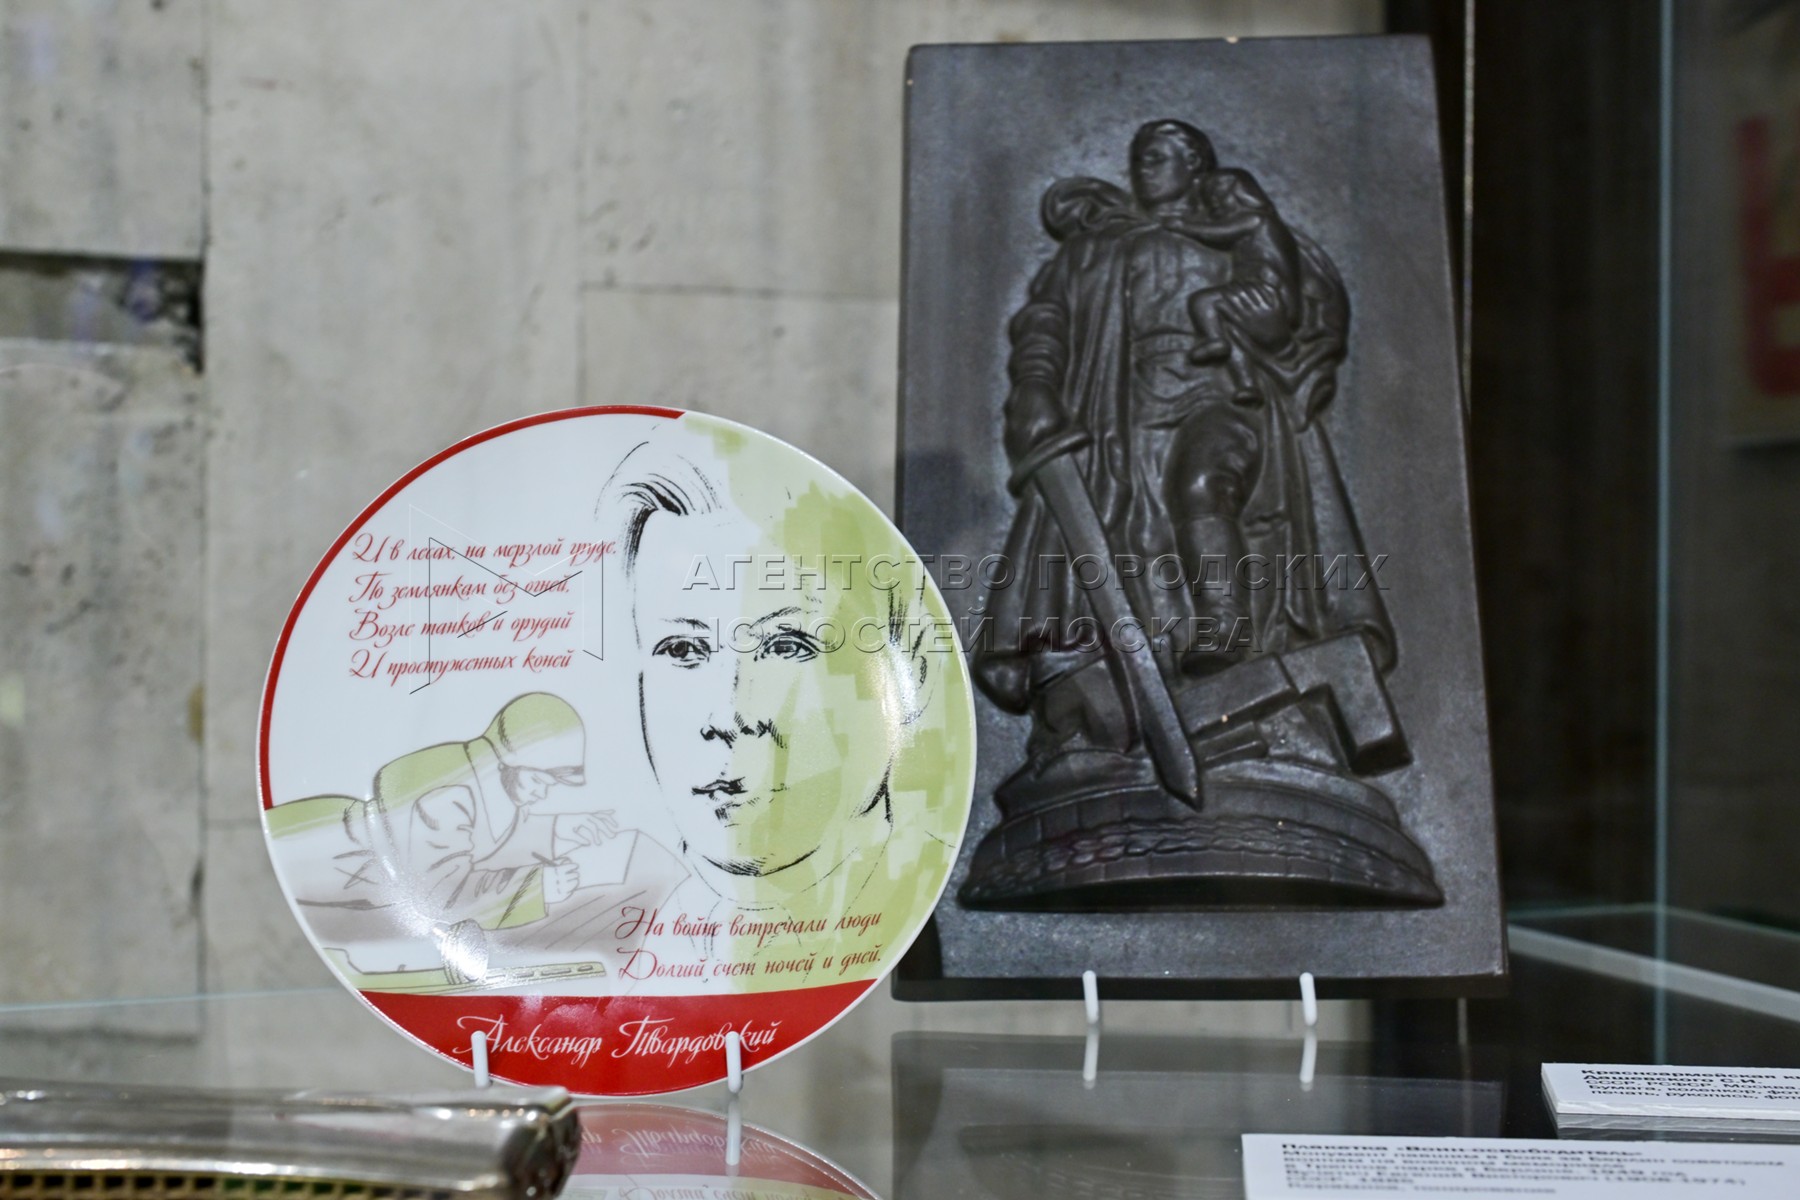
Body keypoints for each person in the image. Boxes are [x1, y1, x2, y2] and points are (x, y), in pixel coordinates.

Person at [975, 118, 1395, 785]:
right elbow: (1045, 322)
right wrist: (1034, 386)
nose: (1145, 167)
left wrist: (1232, 306)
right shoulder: (1095, 248)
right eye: (1140, 157)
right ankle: (1118, 716)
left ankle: (1226, 631)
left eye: (1161, 155)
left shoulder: (1236, 233)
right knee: (1128, 545)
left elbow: (1279, 307)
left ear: (1195, 165)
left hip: (1222, 394)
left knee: (1202, 485)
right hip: (1120, 410)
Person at [599, 439, 957, 976]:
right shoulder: (592, 941)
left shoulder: (946, 920)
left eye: (785, 647)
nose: (726, 716)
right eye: (683, 650)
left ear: (910, 671)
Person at [277, 692, 619, 981]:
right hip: (309, 855)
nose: (542, 793)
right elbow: (444, 892)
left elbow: (480, 837)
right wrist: (536, 887)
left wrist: (557, 831)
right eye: (538, 780)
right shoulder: (447, 794)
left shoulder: (483, 780)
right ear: (506, 763)